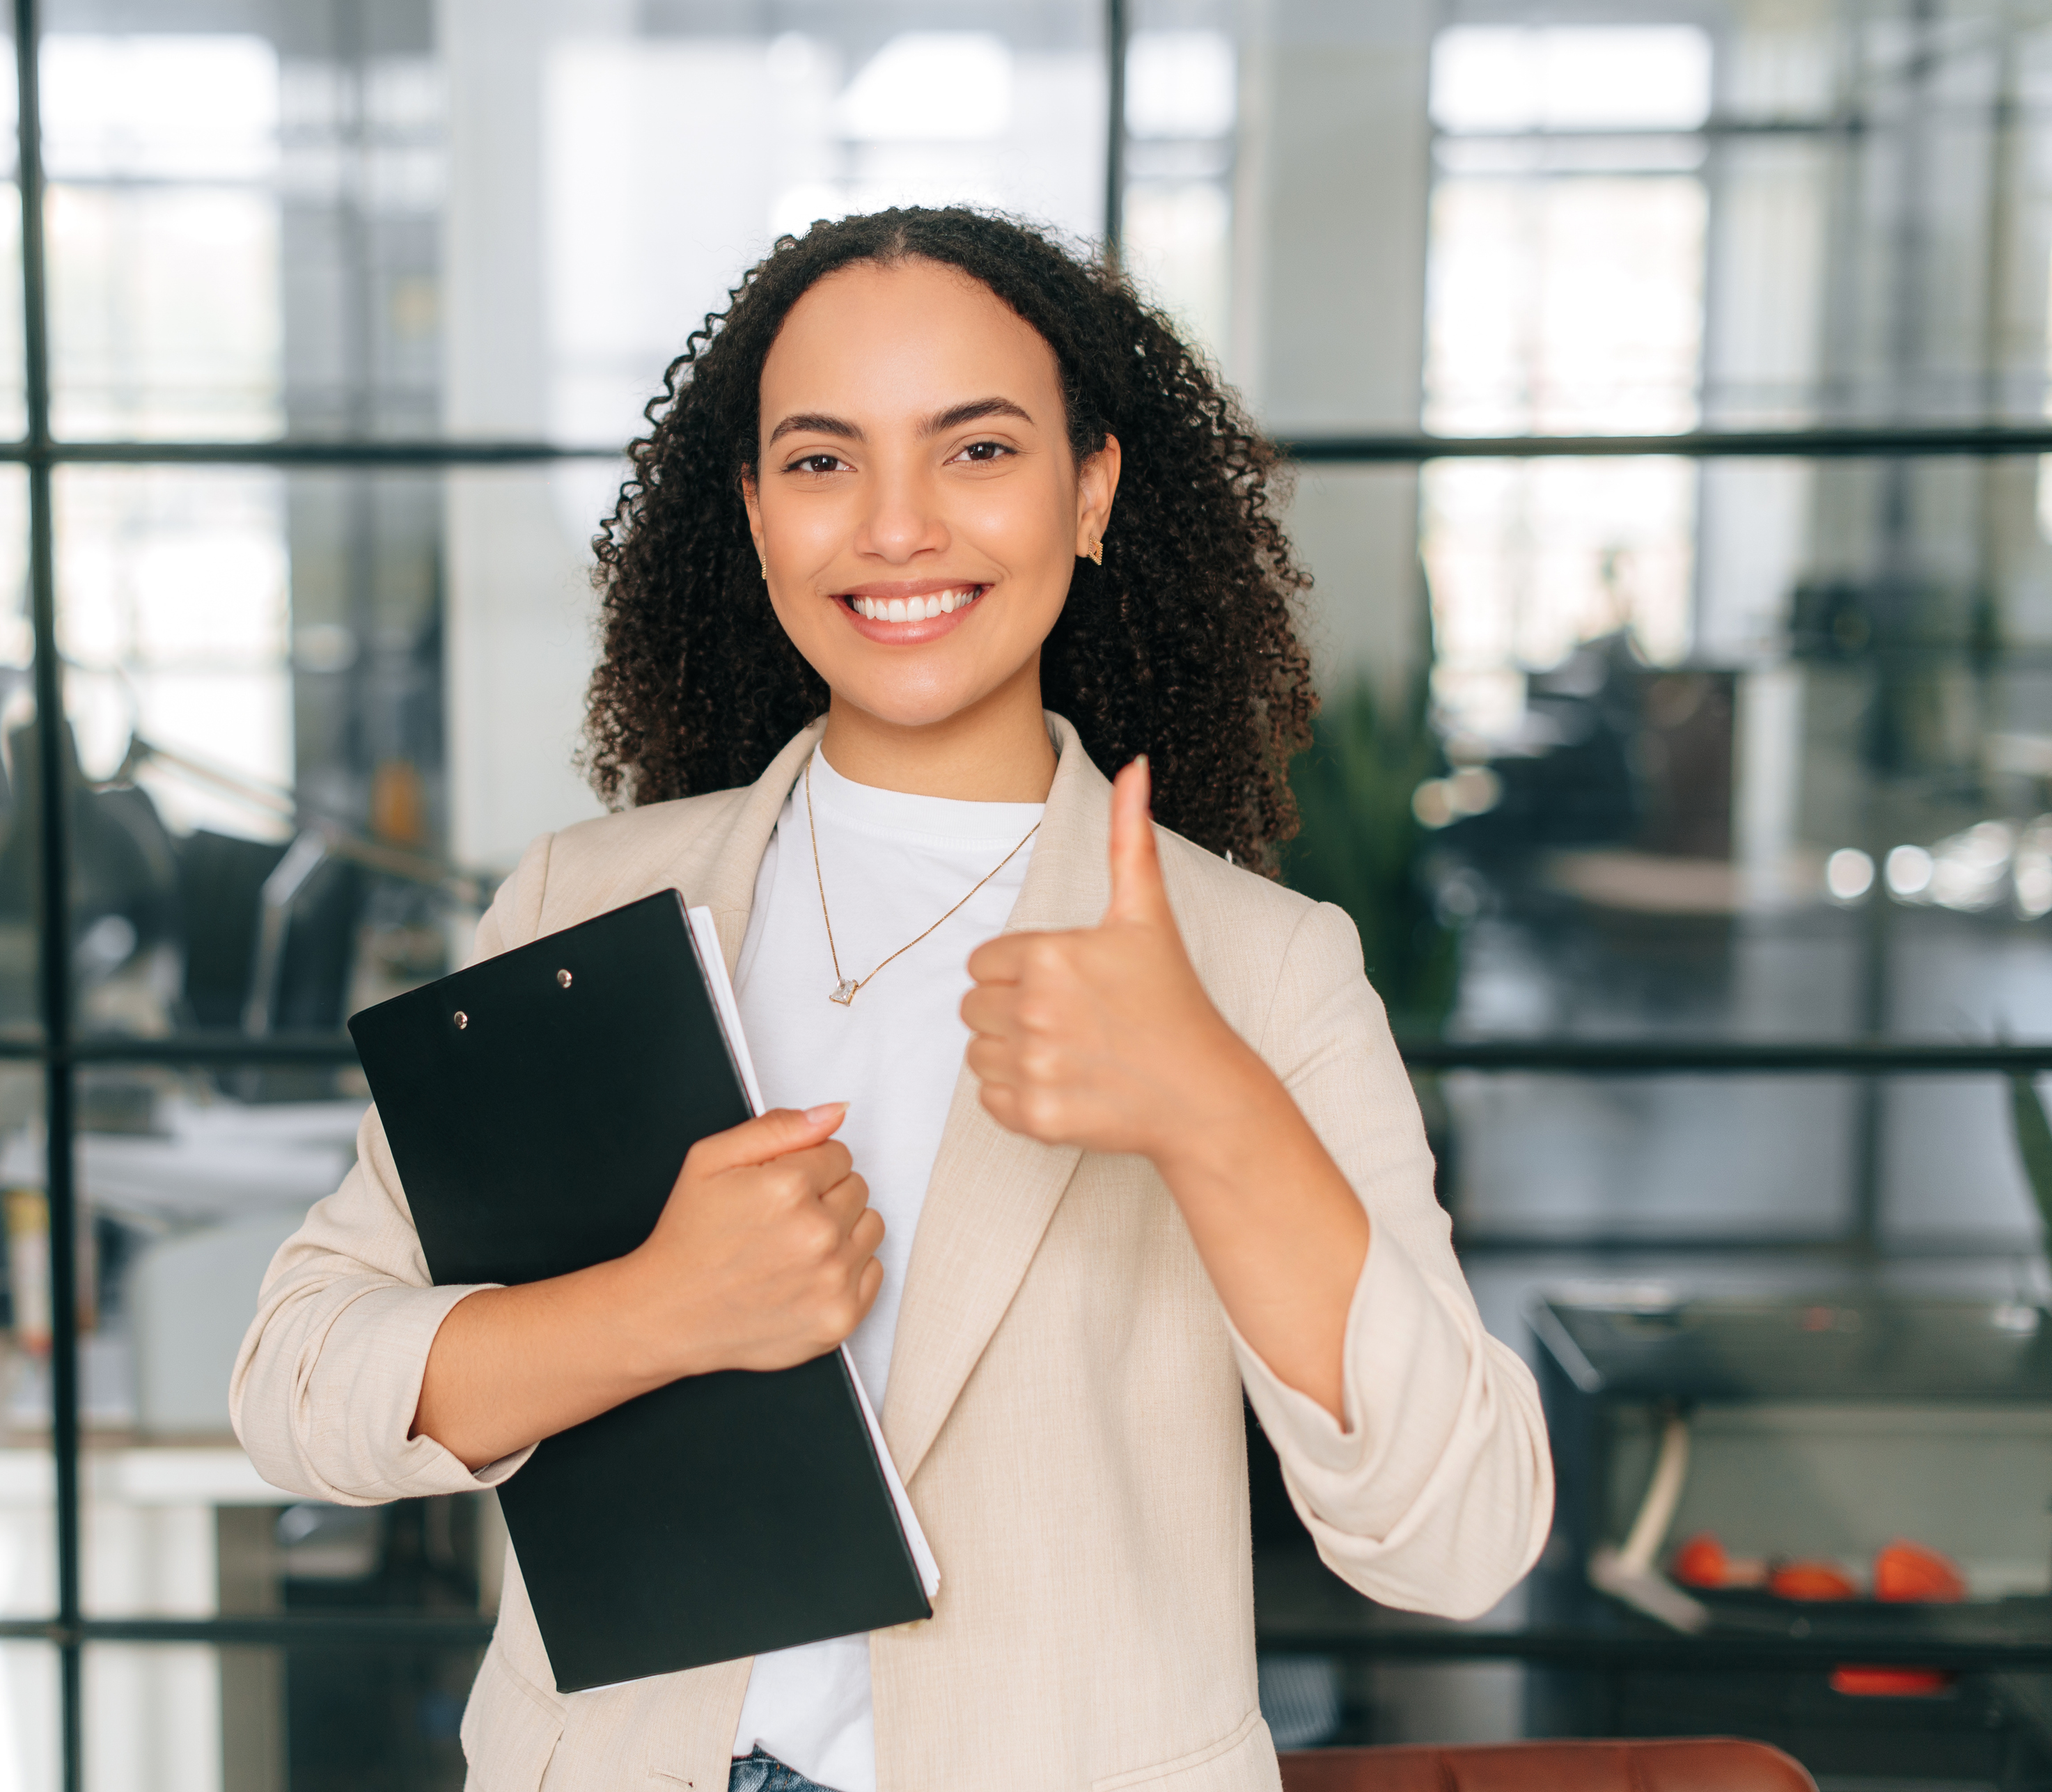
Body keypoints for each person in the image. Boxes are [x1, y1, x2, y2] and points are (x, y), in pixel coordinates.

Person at [235, 206, 1551, 1792]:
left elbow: (1458, 1537)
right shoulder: (583, 905)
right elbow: (299, 1387)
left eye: (978, 450)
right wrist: (657, 1311)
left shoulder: (1261, 968)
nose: (897, 527)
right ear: (755, 510)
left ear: (1093, 489)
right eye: (822, 460)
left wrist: (1214, 1114)